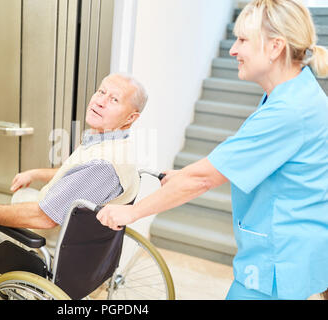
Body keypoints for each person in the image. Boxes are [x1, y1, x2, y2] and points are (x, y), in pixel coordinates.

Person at [97, 0, 328, 300]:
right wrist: (184, 174)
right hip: (293, 250)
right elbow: (234, 160)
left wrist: (133, 213)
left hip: (278, 262)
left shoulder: (289, 111)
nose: (233, 50)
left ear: (275, 47)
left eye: (243, 40)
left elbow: (205, 179)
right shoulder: (296, 94)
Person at [0, 73, 148, 243]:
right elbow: (75, 174)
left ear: (131, 117)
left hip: (53, 243)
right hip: (68, 228)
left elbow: (44, 218)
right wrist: (35, 173)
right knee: (22, 195)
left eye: (114, 100)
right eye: (101, 92)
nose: (100, 101)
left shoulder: (103, 166)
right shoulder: (114, 143)